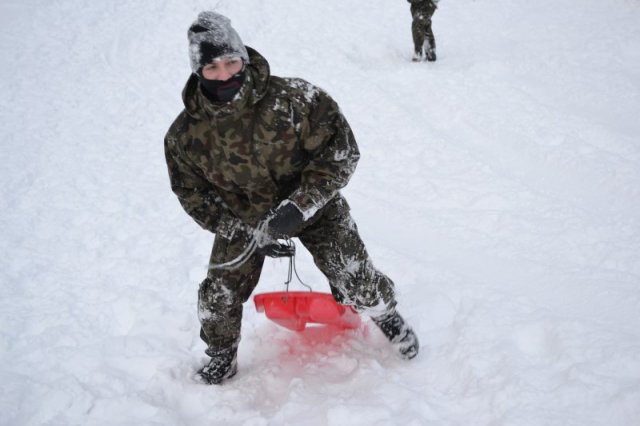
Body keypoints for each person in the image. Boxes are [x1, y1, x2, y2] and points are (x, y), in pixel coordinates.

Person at [164, 11, 419, 385]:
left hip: (314, 208)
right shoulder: (184, 135)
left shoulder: (297, 100)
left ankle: (383, 312)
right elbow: (191, 192)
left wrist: (300, 206)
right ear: (198, 70)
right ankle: (221, 354)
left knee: (357, 280)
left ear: (244, 58)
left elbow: (340, 154)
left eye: (232, 62)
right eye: (213, 67)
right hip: (245, 220)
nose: (225, 74)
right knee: (217, 297)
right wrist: (243, 229)